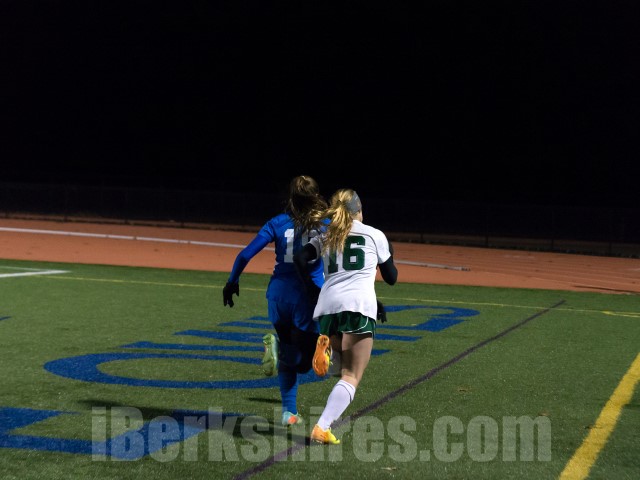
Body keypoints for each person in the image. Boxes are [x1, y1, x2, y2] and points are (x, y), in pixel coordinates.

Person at [222, 175, 328, 427]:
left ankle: (288, 412)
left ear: (291, 197)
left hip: (278, 296)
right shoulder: (325, 224)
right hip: (307, 297)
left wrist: (232, 281)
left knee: (291, 354)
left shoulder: (278, 222)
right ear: (316, 196)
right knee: (304, 364)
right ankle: (279, 350)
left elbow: (244, 254)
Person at [293, 188, 398, 445]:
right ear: (359, 209)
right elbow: (391, 278)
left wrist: (311, 288)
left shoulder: (326, 235)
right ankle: (322, 427)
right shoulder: (374, 234)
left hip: (327, 306)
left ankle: (328, 349)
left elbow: (300, 257)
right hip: (358, 305)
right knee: (351, 375)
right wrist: (389, 252)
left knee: (341, 368)